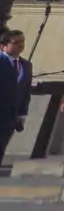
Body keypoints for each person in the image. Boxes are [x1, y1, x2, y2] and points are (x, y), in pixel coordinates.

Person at [0, 29, 31, 168]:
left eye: (22, 41)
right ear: (3, 46)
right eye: (16, 42)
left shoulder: (26, 65)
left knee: (2, 144)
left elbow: (25, 91)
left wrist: (22, 113)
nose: (20, 45)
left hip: (11, 115)